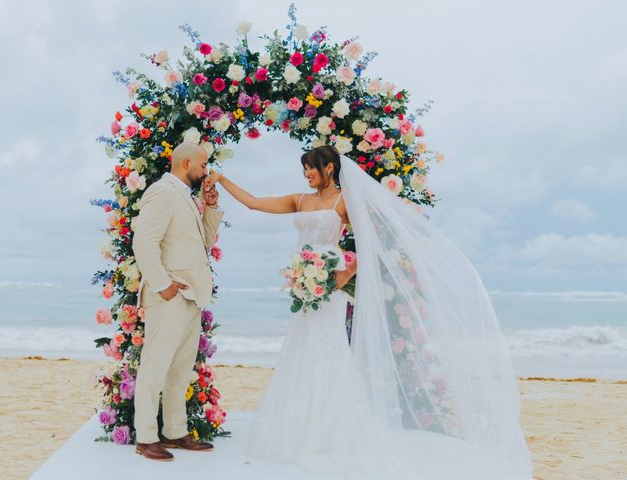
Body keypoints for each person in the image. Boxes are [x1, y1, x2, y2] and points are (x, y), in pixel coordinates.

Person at [204, 145, 533, 479]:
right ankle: (300, 428)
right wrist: (222, 178)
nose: (306, 174)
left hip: (329, 291)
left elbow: (372, 240)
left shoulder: (344, 201)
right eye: (304, 169)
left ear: (329, 167)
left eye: (311, 168)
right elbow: (253, 202)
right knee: (301, 350)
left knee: (329, 352)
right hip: (304, 291)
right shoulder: (299, 200)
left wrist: (348, 271)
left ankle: (331, 430)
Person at [131, 141, 223, 461]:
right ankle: (145, 437)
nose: (206, 171)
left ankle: (174, 431)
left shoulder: (187, 197)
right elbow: (143, 242)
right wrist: (162, 284)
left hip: (191, 296)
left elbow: (204, 245)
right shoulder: (161, 192)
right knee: (156, 367)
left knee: (180, 370)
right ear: (186, 164)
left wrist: (210, 207)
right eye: (202, 166)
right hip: (170, 296)